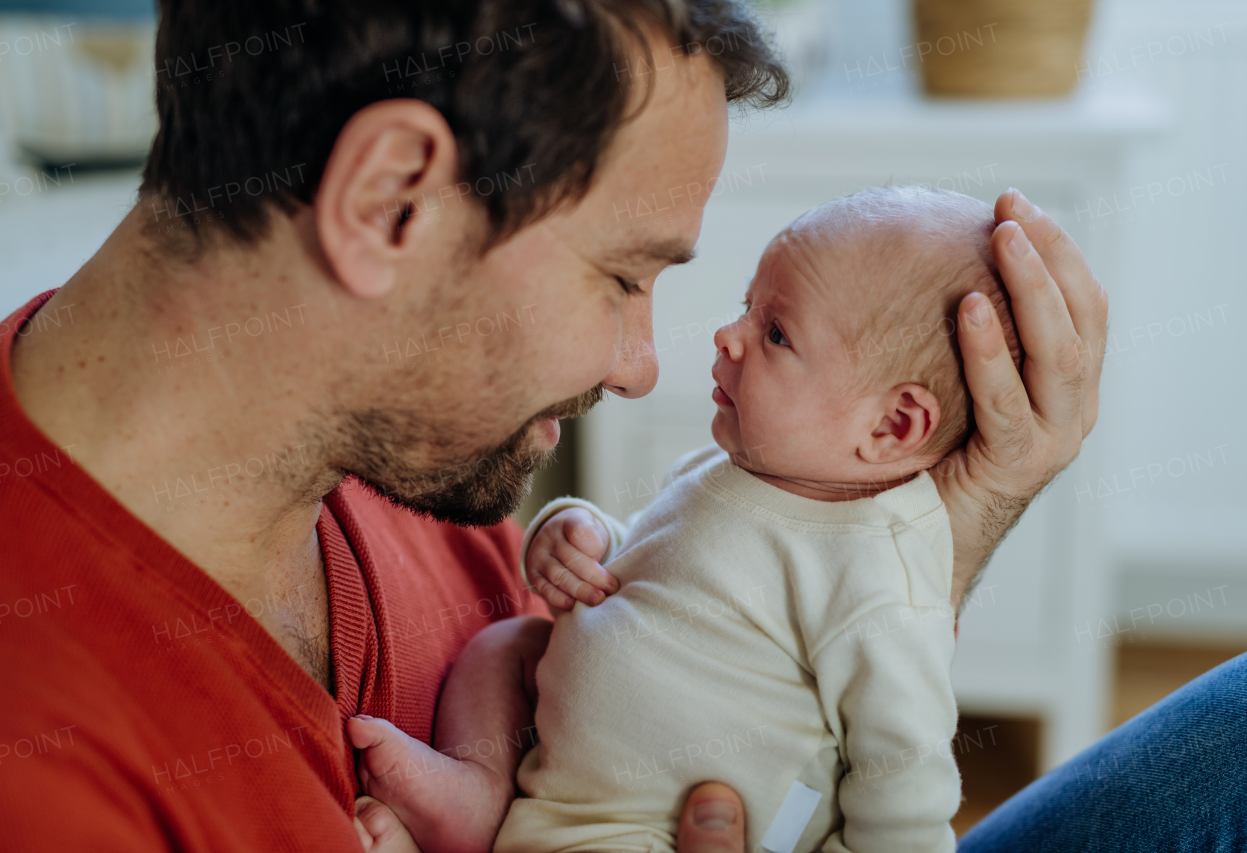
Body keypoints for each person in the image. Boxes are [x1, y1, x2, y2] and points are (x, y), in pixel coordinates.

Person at [0, 1, 1108, 852]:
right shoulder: (35, 769)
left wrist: (950, 519)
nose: (640, 363)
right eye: (621, 278)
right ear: (389, 201)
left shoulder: (390, 442)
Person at [350, 187, 1019, 853]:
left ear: (893, 424)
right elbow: (643, 556)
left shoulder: (878, 575)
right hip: (565, 747)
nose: (729, 335)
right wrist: (578, 534)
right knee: (506, 645)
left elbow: (906, 779)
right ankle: (479, 789)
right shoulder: (734, 464)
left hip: (648, 828)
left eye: (777, 333)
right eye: (746, 308)